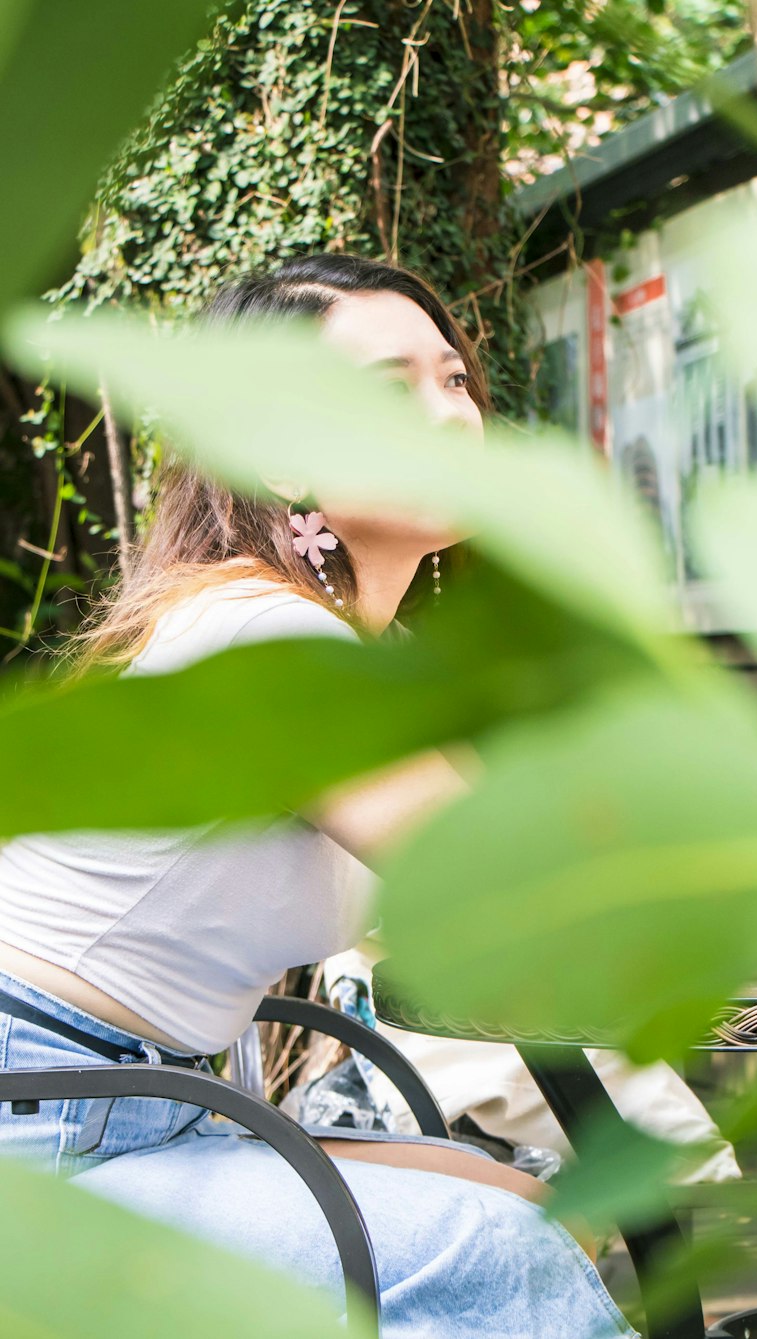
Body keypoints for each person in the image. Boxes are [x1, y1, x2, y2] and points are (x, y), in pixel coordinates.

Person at [0, 253, 639, 1338]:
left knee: (535, 1204)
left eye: (451, 381)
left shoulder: (357, 657)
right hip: (44, 1125)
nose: (450, 417)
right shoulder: (268, 630)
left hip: (144, 1107)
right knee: (497, 1255)